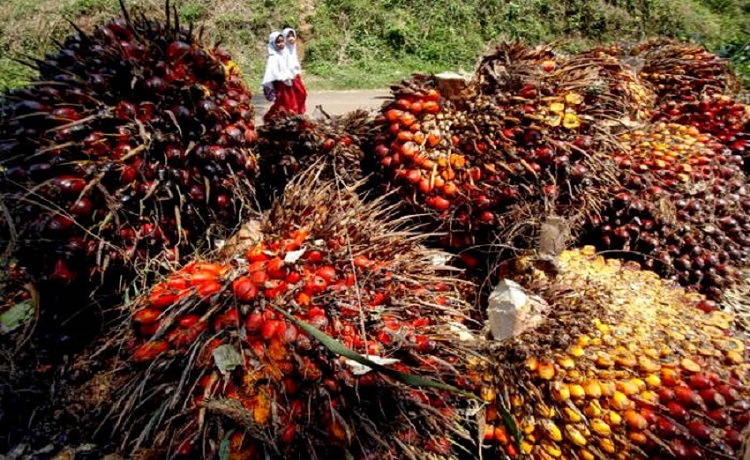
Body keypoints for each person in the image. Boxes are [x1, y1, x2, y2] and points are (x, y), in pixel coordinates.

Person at [261, 31, 297, 123]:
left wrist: (291, 75)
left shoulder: (285, 53)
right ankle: (272, 118)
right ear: (273, 43)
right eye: (278, 42)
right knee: (283, 103)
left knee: (291, 102)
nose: (281, 44)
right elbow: (274, 72)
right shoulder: (273, 57)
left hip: (288, 82)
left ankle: (289, 120)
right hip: (281, 84)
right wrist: (283, 77)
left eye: (282, 41)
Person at [282, 27, 308, 115]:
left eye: (292, 35)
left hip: (295, 76)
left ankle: (299, 112)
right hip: (287, 78)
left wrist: (298, 72)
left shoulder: (293, 48)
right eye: (288, 36)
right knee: (290, 99)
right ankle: (294, 115)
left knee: (302, 94)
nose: (290, 38)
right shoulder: (283, 50)